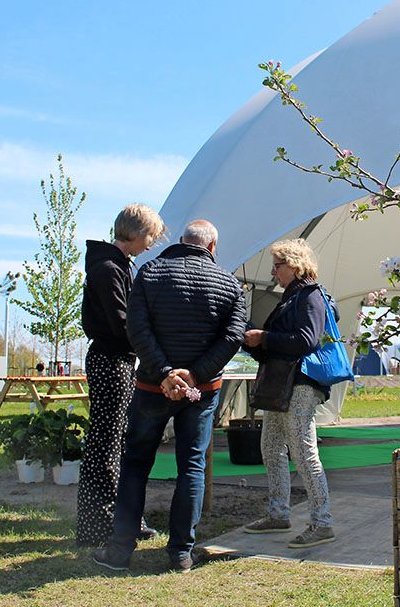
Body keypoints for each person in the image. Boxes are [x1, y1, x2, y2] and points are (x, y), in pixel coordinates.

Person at [92, 220, 246, 573]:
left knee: (135, 466)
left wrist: (164, 373)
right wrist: (194, 375)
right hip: (201, 392)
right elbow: (233, 336)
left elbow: (136, 327)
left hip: (151, 387)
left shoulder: (150, 272)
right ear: (212, 247)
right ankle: (180, 553)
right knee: (192, 466)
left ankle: (120, 551)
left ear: (179, 242)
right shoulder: (229, 283)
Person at [76, 204, 165, 547]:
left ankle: (117, 519)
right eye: (151, 237)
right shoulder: (109, 267)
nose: (151, 245)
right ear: (139, 233)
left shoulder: (114, 265)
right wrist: (152, 348)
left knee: (113, 441)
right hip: (111, 361)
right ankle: (101, 524)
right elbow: (122, 322)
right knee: (106, 443)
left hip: (116, 360)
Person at [241, 238, 336, 549]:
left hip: (301, 384)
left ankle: (322, 522)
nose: (273, 272)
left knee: (304, 452)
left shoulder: (311, 296)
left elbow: (305, 341)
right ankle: (279, 513)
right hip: (282, 384)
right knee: (270, 448)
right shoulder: (292, 298)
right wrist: (253, 340)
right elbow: (279, 345)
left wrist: (264, 337)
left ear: (295, 265)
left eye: (277, 265)